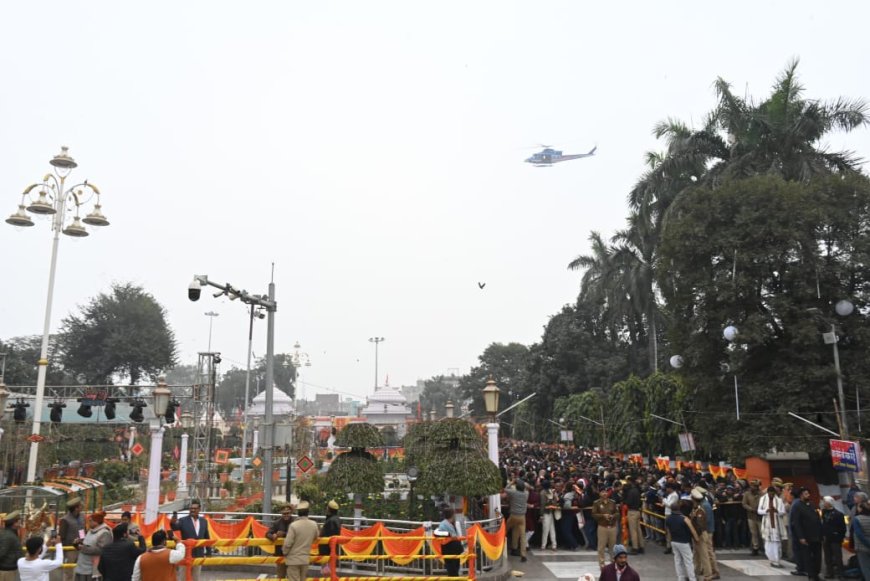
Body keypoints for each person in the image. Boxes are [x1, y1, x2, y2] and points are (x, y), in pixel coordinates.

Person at [170, 500, 210, 581]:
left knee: (196, 577)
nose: (192, 510)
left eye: (195, 508)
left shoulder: (204, 521)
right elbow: (174, 527)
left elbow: (206, 536)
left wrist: (209, 551)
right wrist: (173, 521)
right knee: (183, 577)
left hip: (199, 554)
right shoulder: (183, 520)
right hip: (185, 554)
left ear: (199, 509)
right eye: (191, 508)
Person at [282, 500, 319, 581]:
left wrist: (284, 552)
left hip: (293, 559)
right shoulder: (314, 524)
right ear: (308, 512)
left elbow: (288, 544)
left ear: (298, 512)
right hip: (305, 559)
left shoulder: (293, 525)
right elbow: (316, 537)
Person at [791, 487, 822, 581]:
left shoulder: (812, 504)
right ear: (801, 495)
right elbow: (796, 522)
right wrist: (801, 537)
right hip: (806, 536)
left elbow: (817, 519)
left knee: (818, 557)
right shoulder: (797, 506)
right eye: (806, 494)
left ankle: (816, 574)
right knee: (808, 557)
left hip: (816, 535)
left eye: (808, 493)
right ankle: (811, 575)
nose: (808, 495)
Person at [666, 499, 699, 581]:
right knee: (688, 561)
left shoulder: (668, 518)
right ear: (679, 509)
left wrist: (670, 541)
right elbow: (693, 530)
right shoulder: (684, 518)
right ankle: (692, 578)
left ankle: (680, 578)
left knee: (678, 561)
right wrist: (697, 539)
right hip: (684, 542)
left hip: (674, 541)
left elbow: (668, 531)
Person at [75, 511, 112, 581]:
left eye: (90, 521)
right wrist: (77, 544)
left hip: (92, 569)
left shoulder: (105, 533)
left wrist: (83, 548)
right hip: (82, 566)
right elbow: (85, 544)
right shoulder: (90, 531)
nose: (89, 522)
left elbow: (102, 550)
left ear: (97, 521)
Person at [757, 485, 787, 568]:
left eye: (773, 494)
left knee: (777, 543)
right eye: (770, 494)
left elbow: (783, 511)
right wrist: (766, 510)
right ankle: (772, 560)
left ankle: (777, 561)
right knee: (768, 543)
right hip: (767, 523)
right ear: (768, 493)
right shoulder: (763, 499)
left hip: (777, 524)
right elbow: (759, 511)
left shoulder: (779, 500)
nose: (771, 495)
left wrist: (777, 511)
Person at [592, 488, 619, 569]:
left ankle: (613, 563)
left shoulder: (613, 502)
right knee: (601, 547)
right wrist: (603, 515)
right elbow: (594, 514)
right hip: (602, 527)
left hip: (612, 527)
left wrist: (612, 516)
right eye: (602, 492)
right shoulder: (596, 503)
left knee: (613, 546)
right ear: (599, 493)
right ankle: (602, 564)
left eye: (606, 492)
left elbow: (617, 513)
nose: (604, 493)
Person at [820, 495, 845, 579]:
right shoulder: (823, 512)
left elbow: (842, 528)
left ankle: (841, 574)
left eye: (825, 502)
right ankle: (829, 572)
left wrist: (840, 538)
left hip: (835, 539)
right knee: (827, 557)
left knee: (838, 557)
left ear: (829, 503)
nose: (823, 503)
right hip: (826, 538)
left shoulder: (838, 514)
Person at [267, 505, 295, 580]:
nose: (286, 515)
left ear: (291, 513)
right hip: (280, 554)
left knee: (292, 577)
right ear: (281, 513)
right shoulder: (277, 523)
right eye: (284, 513)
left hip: (292, 554)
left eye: (287, 513)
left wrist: (284, 534)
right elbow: (267, 533)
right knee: (280, 576)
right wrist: (273, 536)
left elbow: (298, 535)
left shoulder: (296, 523)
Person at [59, 498, 84, 581]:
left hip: (80, 548)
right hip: (70, 549)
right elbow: (62, 536)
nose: (82, 507)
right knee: (68, 572)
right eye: (80, 506)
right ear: (76, 508)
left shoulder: (81, 517)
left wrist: (82, 540)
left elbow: (81, 530)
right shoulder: (65, 520)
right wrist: (63, 551)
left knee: (80, 570)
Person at [504, 479, 529, 562]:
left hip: (513, 515)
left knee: (505, 531)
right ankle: (523, 555)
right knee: (522, 536)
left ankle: (499, 546)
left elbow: (505, 489)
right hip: (522, 517)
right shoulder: (526, 494)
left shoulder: (513, 493)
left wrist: (511, 482)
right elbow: (527, 487)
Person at [437, 508, 463, 577]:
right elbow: (439, 534)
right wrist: (450, 536)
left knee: (455, 568)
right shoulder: (443, 525)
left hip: (455, 549)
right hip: (448, 549)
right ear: (452, 515)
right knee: (452, 570)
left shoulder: (453, 523)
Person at [319, 500, 342, 576]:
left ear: (329, 509)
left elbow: (329, 536)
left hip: (327, 552)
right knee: (329, 573)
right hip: (330, 551)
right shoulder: (335, 519)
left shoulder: (331, 521)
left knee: (327, 574)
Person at [624, 477, 644, 554]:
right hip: (637, 511)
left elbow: (628, 502)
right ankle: (641, 546)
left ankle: (635, 548)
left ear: (630, 481)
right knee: (638, 530)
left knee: (633, 531)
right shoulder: (637, 490)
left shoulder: (631, 491)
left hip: (632, 511)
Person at [0, 511, 22, 581]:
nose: (20, 523)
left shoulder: (9, 533)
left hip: (8, 568)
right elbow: (1, 553)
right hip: (6, 571)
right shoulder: (9, 536)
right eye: (19, 521)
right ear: (14, 523)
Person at [742, 479, 762, 556]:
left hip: (760, 516)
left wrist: (760, 510)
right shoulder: (747, 494)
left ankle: (764, 547)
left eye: (754, 486)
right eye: (752, 486)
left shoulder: (761, 494)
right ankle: (755, 548)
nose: (752, 487)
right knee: (753, 533)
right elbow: (744, 504)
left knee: (761, 532)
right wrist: (751, 509)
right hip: (751, 516)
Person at [850, 501, 870, 579]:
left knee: (866, 568)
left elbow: (859, 534)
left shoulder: (857, 519)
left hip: (862, 547)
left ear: (861, 509)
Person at [540, 480, 559, 551]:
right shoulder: (551, 491)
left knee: (545, 530)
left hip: (545, 513)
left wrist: (541, 515)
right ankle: (554, 545)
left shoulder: (542, 493)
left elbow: (542, 504)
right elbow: (555, 501)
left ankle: (543, 545)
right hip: (551, 512)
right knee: (552, 529)